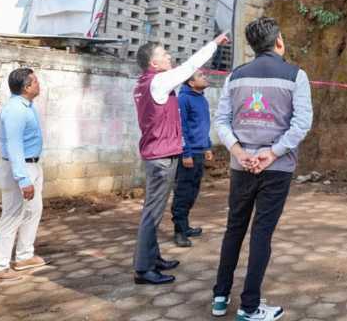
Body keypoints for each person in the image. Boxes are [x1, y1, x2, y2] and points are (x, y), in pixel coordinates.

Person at [211, 17, 313, 321]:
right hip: (277, 168)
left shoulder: (235, 76)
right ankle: (249, 307)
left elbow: (221, 121)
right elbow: (301, 124)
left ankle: (220, 297)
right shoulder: (296, 76)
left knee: (234, 228)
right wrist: (273, 153)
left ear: (253, 46)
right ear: (279, 41)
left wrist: (239, 152)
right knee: (261, 233)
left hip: (241, 166)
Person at [133, 33, 228, 285]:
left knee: (153, 210)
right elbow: (190, 66)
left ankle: (153, 259)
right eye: (163, 54)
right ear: (153, 63)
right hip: (161, 157)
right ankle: (143, 269)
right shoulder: (157, 81)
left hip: (158, 154)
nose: (169, 56)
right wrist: (214, 44)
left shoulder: (144, 84)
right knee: (152, 213)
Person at [0, 68, 47, 280]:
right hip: (19, 168)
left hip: (32, 165)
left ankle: (24, 256)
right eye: (35, 81)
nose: (39, 84)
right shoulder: (15, 110)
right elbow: (14, 146)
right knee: (12, 215)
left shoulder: (27, 106)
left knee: (33, 211)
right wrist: (23, 179)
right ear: (26, 87)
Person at [171, 69, 213, 247]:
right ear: (191, 82)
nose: (205, 77)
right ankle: (179, 232)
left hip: (199, 152)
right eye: (200, 76)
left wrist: (207, 146)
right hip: (188, 154)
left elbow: (203, 126)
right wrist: (186, 152)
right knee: (183, 193)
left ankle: (185, 226)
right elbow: (181, 128)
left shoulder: (202, 99)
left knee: (193, 191)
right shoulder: (183, 99)